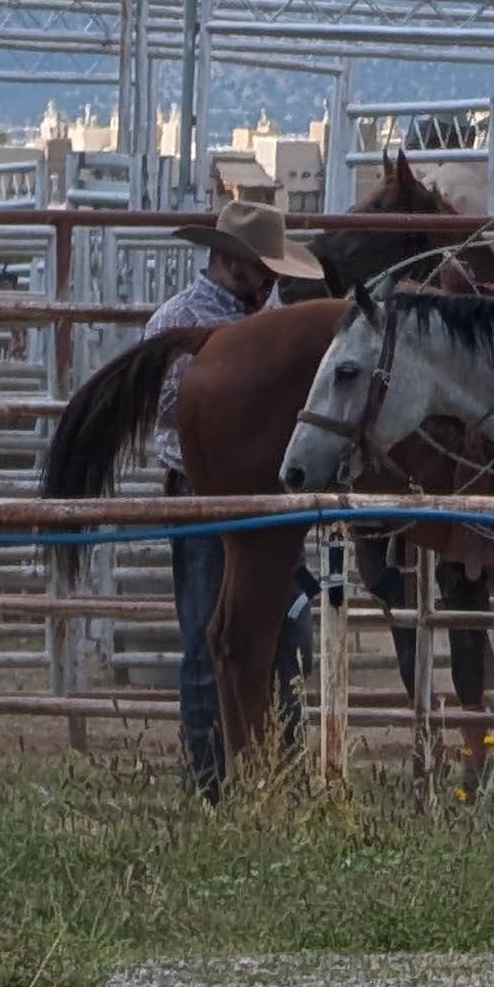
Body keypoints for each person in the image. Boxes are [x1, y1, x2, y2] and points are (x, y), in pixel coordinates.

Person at [146, 199, 322, 795]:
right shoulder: (180, 319)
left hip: (271, 502)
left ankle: (277, 770)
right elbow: (167, 409)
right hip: (206, 497)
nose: (268, 281)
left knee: (282, 639)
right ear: (228, 260)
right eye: (258, 268)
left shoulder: (269, 318)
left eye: (271, 271)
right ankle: (213, 782)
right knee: (209, 641)